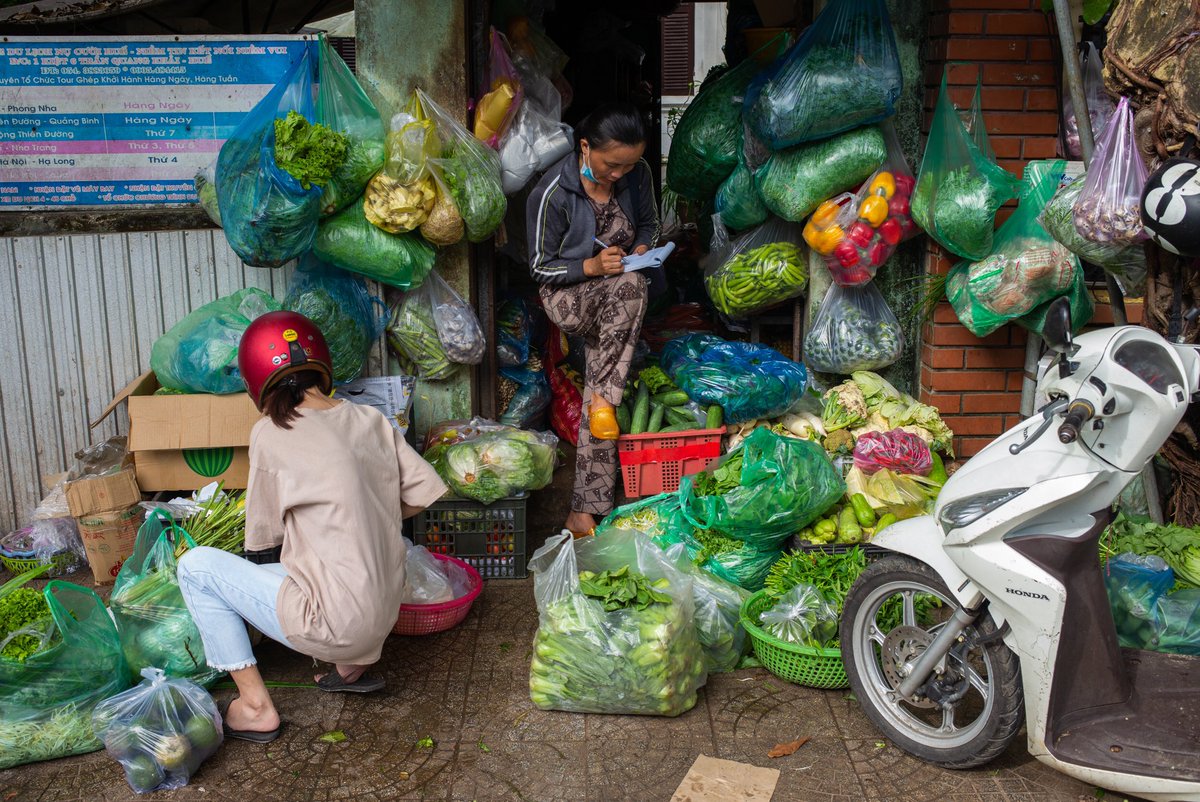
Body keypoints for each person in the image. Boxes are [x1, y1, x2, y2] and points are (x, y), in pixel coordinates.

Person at [177, 311, 446, 743]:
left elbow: (261, 537)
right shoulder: (369, 419)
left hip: (338, 623)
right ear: (320, 365)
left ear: (256, 378)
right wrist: (363, 510)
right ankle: (350, 666)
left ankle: (254, 707)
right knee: (332, 558)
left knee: (196, 567)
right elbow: (419, 494)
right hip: (383, 615)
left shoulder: (271, 431)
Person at [526, 102, 660, 536]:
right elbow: (539, 266)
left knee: (600, 395)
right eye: (611, 164)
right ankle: (604, 398)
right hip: (568, 298)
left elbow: (650, 224)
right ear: (585, 147)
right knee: (631, 289)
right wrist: (589, 268)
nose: (620, 174)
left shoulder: (637, 176)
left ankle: (583, 512)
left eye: (629, 164)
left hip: (619, 295)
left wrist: (642, 248)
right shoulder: (553, 193)